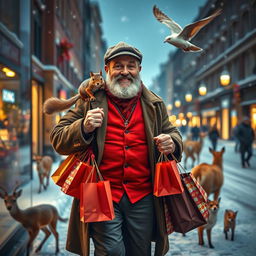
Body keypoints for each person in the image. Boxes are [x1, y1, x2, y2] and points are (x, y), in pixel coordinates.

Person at [50, 42, 183, 256]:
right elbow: (58, 137)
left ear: (139, 70)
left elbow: (173, 132)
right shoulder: (90, 101)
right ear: (106, 70)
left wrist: (173, 142)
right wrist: (83, 127)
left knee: (140, 252)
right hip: (101, 192)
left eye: (131, 66)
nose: (125, 72)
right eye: (118, 66)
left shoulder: (155, 104)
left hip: (144, 195)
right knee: (111, 251)